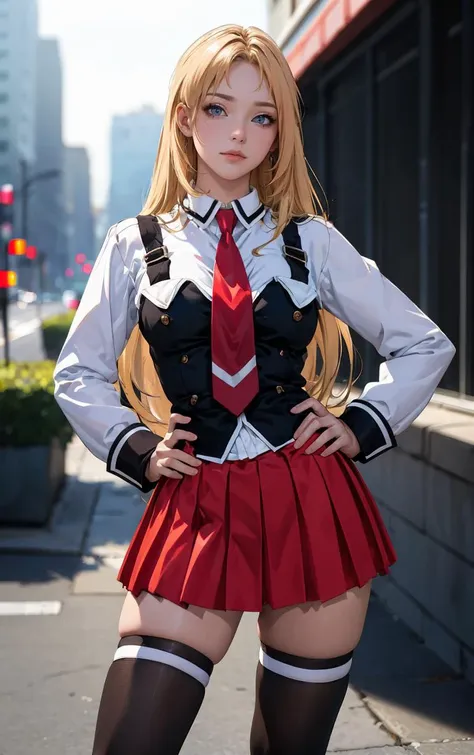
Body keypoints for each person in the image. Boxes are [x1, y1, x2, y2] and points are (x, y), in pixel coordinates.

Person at [53, 24, 455, 755]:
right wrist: (138, 448)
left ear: (281, 130)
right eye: (218, 109)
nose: (240, 132)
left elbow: (425, 342)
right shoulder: (136, 242)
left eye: (262, 116)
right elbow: (77, 371)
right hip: (196, 496)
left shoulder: (309, 241)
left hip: (311, 498)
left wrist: (360, 424)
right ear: (183, 116)